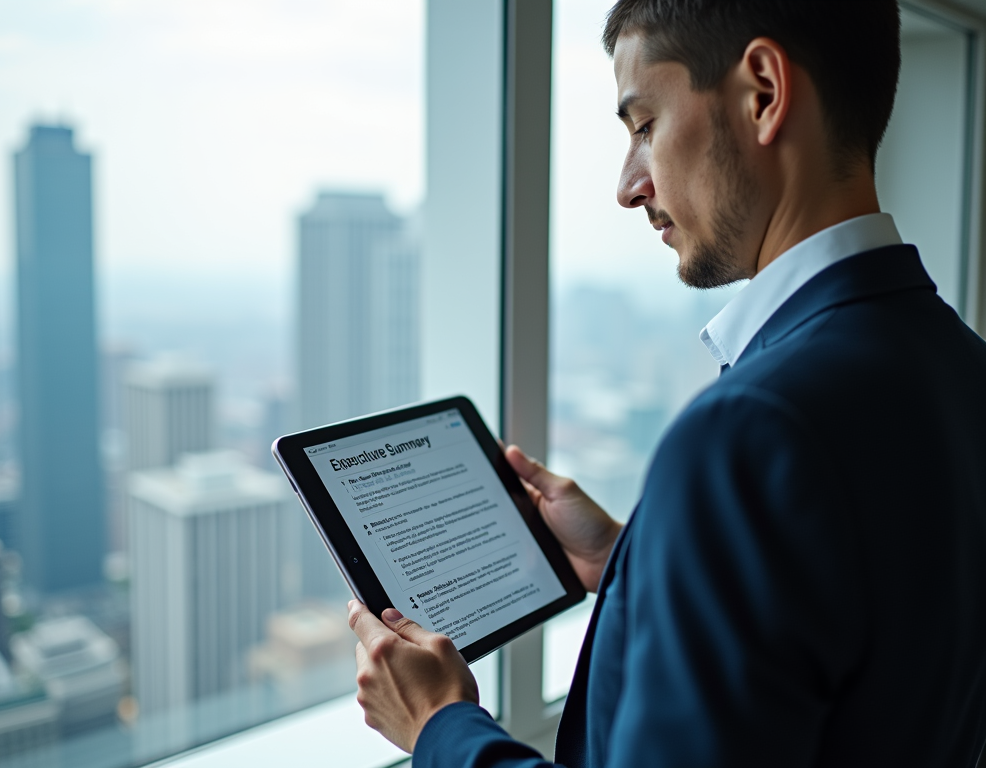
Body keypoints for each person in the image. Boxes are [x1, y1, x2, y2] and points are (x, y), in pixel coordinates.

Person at [348, 1, 986, 765]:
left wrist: (439, 726)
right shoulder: (959, 365)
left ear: (763, 92)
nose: (627, 185)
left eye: (644, 125)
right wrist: (640, 558)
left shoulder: (749, 429)